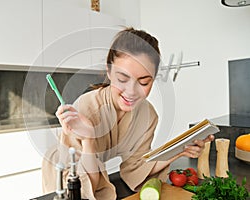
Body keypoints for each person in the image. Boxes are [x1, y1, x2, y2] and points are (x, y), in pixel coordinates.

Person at [42, 27, 214, 200]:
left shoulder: (148, 114)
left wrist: (180, 151)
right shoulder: (86, 109)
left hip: (92, 175)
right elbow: (86, 186)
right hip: (65, 175)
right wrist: (89, 139)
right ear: (109, 72)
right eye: (122, 79)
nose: (131, 92)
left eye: (144, 82)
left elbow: (138, 166)